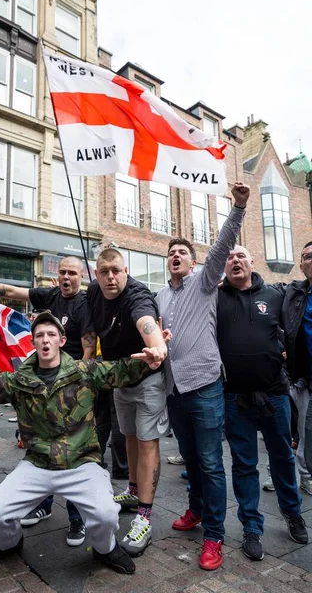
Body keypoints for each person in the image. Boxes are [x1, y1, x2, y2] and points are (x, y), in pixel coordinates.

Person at [0, 311, 162, 574]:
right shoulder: (19, 380)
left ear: (61, 340)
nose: (45, 340)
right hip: (37, 465)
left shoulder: (84, 372)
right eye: (39, 336)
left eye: (51, 334)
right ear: (34, 343)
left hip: (82, 463)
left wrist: (151, 359)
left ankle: (104, 549)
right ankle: (9, 543)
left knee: (106, 514)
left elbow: (121, 370)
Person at [0, 256, 97, 546]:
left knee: (72, 451)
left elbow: (88, 348)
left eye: (73, 273)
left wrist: (77, 384)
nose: (67, 277)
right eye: (63, 273)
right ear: (57, 277)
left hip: (69, 385)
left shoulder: (86, 303)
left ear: (82, 276)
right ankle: (42, 504)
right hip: (41, 379)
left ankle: (77, 517)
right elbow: (11, 292)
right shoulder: (51, 295)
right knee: (40, 445)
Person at [156, 182, 249, 571]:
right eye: (171, 253)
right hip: (173, 390)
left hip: (206, 385)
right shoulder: (159, 296)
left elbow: (224, 242)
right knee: (190, 459)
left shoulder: (206, 280)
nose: (176, 256)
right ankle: (195, 510)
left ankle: (214, 535)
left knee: (211, 462)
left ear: (193, 263)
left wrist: (239, 207)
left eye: (182, 252)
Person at [217, 245, 308, 561]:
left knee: (282, 456)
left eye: (240, 255)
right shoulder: (216, 298)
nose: (235, 260)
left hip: (275, 395)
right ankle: (251, 528)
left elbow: (295, 324)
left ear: (252, 263)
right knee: (244, 464)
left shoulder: (274, 294)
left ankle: (292, 512)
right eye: (229, 258)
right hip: (235, 398)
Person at [87, 248, 168, 557]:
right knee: (129, 437)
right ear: (96, 274)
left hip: (148, 377)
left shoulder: (137, 294)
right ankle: (133, 492)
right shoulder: (94, 292)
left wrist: (158, 347)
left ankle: (144, 517)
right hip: (120, 380)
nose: (111, 276)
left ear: (125, 270)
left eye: (116, 270)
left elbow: (147, 321)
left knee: (147, 442)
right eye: (104, 271)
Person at [278, 241, 312, 485]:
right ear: (300, 265)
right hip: (303, 376)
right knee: (302, 430)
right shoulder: (294, 292)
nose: (310, 260)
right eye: (306, 257)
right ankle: (304, 475)